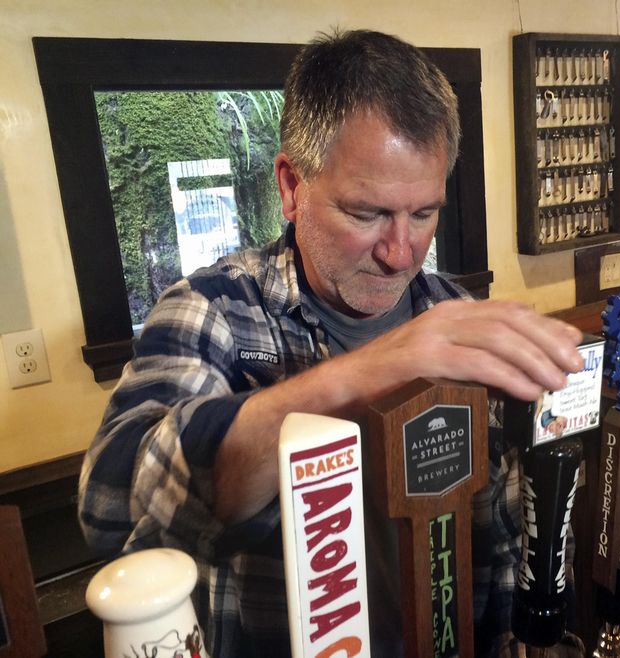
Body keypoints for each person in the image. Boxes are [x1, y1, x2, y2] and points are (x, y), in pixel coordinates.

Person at [78, 29, 584, 658]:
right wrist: (368, 371)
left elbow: (499, 537)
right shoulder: (216, 311)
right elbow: (107, 504)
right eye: (366, 213)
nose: (401, 253)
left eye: (424, 214)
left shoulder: (453, 312)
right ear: (292, 186)